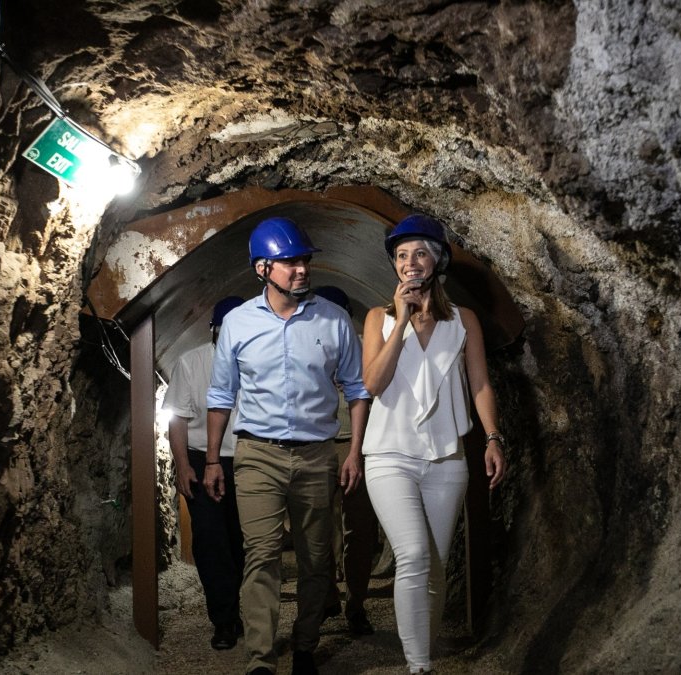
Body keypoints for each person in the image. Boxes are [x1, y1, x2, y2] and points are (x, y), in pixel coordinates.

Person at [205, 217, 370, 675]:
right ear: (262, 269)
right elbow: (221, 396)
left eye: (304, 261)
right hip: (257, 454)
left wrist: (353, 452)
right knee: (261, 555)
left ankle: (304, 646)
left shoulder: (334, 321)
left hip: (317, 455)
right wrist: (214, 459)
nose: (301, 269)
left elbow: (357, 391)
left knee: (318, 557)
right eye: (289, 262)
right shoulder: (237, 324)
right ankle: (260, 660)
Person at [360, 214, 507, 674]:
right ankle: (418, 665)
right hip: (389, 456)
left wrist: (492, 438)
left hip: (447, 458)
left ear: (437, 260)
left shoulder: (462, 321)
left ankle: (422, 645)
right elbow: (373, 382)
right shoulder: (378, 319)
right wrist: (401, 321)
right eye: (402, 256)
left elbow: (480, 384)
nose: (410, 263)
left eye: (419, 253)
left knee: (436, 567)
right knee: (415, 554)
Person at [164, 295, 247, 651]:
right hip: (202, 459)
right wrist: (182, 465)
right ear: (214, 330)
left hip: (248, 460)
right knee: (211, 541)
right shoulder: (191, 362)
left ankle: (242, 606)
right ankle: (225, 619)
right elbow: (178, 418)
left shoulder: (259, 362)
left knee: (242, 542)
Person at [313, 285, 379, 638]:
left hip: (360, 447)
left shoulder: (366, 346)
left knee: (360, 530)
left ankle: (355, 604)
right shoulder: (306, 342)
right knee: (318, 530)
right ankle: (327, 599)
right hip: (320, 447)